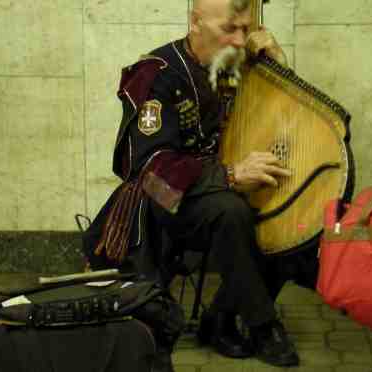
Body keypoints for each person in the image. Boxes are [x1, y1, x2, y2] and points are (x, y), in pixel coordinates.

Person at [85, 0, 302, 367]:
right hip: (161, 197)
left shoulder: (235, 65)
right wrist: (230, 177)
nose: (239, 40)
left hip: (215, 190)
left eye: (246, 30)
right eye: (229, 29)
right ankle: (263, 325)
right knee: (231, 211)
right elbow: (150, 168)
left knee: (291, 208)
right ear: (196, 22)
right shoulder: (157, 74)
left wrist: (276, 67)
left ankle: (219, 317)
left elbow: (285, 119)